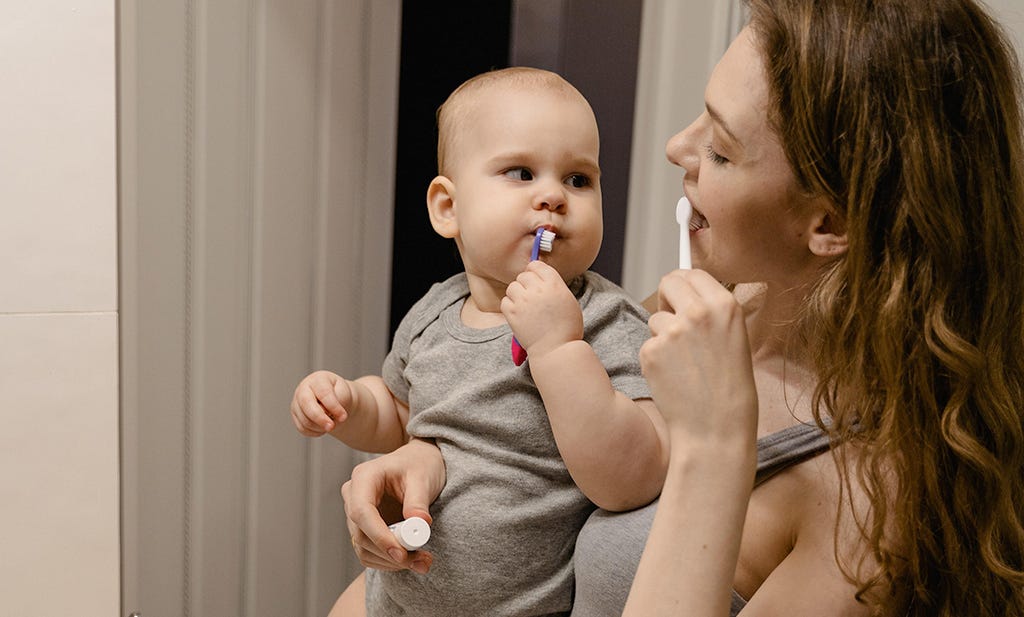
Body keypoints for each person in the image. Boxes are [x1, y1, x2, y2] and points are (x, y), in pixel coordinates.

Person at [339, 1, 1024, 616]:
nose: (676, 148)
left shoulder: (868, 502)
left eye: (721, 150)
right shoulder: (686, 320)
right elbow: (514, 467)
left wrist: (714, 444)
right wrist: (423, 461)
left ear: (829, 221)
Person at [289, 67, 669, 616]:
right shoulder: (434, 313)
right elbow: (398, 414)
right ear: (448, 208)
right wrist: (347, 401)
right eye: (521, 172)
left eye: (579, 180)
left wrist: (559, 351)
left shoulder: (606, 319)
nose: (553, 197)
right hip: (396, 597)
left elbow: (632, 480)